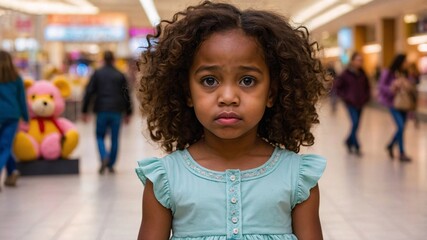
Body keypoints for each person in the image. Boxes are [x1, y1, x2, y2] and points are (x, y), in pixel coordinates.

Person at [134, 1, 329, 239]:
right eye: (209, 81)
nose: (228, 97)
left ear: (271, 93)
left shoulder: (297, 178)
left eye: (247, 80)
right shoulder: (165, 180)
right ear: (187, 93)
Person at [82, 50, 133, 174]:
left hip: (101, 109)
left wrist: (84, 110)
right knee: (115, 138)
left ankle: (104, 156)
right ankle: (111, 164)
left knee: (100, 135)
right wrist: (128, 112)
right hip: (116, 110)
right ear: (114, 59)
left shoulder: (97, 74)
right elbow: (126, 95)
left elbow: (89, 92)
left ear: (103, 59)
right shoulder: (120, 75)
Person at [0, 50, 29, 189]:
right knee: (5, 146)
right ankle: (10, 172)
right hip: (11, 116)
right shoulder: (16, 78)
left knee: (4, 146)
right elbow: (22, 100)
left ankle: (12, 172)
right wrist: (26, 118)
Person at [335, 52, 371, 156]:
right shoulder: (345, 74)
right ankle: (357, 146)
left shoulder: (363, 73)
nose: (360, 62)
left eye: (361, 60)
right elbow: (338, 87)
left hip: (360, 103)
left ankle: (348, 141)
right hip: (350, 103)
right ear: (352, 61)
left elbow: (367, 87)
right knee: (355, 123)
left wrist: (366, 97)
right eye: (358, 60)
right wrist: (345, 97)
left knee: (357, 125)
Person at [378, 54, 412, 162]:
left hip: (405, 104)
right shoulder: (388, 72)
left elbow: (411, 87)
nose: (407, 64)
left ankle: (391, 145)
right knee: (401, 126)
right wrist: (393, 86)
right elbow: (382, 87)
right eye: (405, 61)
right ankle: (401, 153)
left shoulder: (406, 73)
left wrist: (407, 85)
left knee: (402, 128)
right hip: (393, 103)